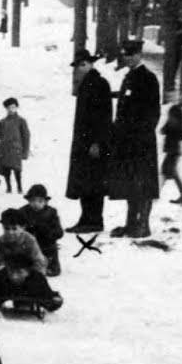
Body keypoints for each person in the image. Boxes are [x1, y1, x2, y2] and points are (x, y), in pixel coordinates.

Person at [107, 38, 161, 237]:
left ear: (139, 54)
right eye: (125, 55)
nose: (128, 58)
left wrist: (141, 137)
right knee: (130, 182)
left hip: (142, 143)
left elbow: (153, 113)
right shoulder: (128, 77)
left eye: (131, 54)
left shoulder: (148, 78)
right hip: (126, 142)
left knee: (144, 183)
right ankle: (130, 224)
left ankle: (144, 225)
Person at [65, 48, 112, 233]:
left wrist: (97, 142)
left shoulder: (99, 84)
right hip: (84, 143)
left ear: (91, 64)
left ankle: (93, 221)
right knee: (85, 183)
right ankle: (86, 219)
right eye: (78, 65)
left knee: (94, 183)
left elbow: (104, 117)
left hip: (93, 144)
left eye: (83, 64)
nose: (80, 68)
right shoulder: (86, 84)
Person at [0, 238, 64, 316]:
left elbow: (49, 297)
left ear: (28, 272)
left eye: (19, 272)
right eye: (11, 271)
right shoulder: (3, 275)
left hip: (30, 293)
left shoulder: (37, 279)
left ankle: (24, 302)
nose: (14, 276)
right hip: (5, 292)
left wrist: (55, 301)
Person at [19, 184, 65, 278]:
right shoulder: (23, 212)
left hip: (46, 247)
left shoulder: (51, 212)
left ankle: (48, 266)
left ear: (46, 202)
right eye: (32, 201)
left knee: (52, 269)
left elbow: (59, 232)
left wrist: (46, 231)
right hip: (28, 247)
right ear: (28, 201)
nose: (36, 204)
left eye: (40, 201)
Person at [0, 97, 30, 195]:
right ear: (6, 109)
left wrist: (25, 151)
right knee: (6, 169)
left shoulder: (21, 121)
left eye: (13, 107)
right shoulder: (2, 122)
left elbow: (26, 136)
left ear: (16, 108)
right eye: (9, 108)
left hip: (16, 149)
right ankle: (8, 187)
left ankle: (19, 187)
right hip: (4, 149)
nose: (11, 110)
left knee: (17, 169)